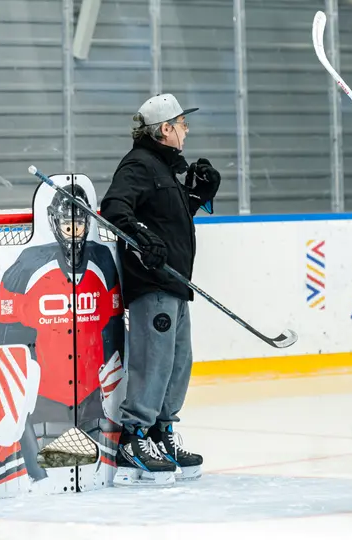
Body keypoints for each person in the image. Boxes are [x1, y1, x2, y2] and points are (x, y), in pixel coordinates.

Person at [100, 93, 221, 485]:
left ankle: (161, 434)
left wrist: (196, 197)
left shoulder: (163, 169)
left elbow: (164, 216)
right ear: (164, 129)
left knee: (178, 362)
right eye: (181, 123)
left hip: (175, 282)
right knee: (154, 361)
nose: (186, 130)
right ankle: (134, 439)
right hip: (153, 283)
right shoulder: (138, 164)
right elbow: (116, 208)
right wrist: (140, 238)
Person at [0, 183, 126, 480]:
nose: (74, 231)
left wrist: (112, 369)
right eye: (68, 224)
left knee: (100, 455)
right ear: (54, 221)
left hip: (92, 393)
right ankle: (36, 473)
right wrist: (20, 384)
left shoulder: (103, 260)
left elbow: (114, 325)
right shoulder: (28, 265)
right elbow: (5, 333)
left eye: (79, 224)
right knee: (36, 462)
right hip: (43, 395)